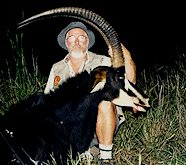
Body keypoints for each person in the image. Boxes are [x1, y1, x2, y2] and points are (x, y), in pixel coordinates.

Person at [44, 21, 138, 164]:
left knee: (104, 102)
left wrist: (127, 57)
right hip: (69, 126)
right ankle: (86, 151)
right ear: (66, 42)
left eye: (81, 37)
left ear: (87, 41)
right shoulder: (56, 68)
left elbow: (130, 83)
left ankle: (105, 158)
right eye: (71, 37)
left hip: (98, 121)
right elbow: (47, 101)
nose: (76, 41)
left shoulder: (104, 61)